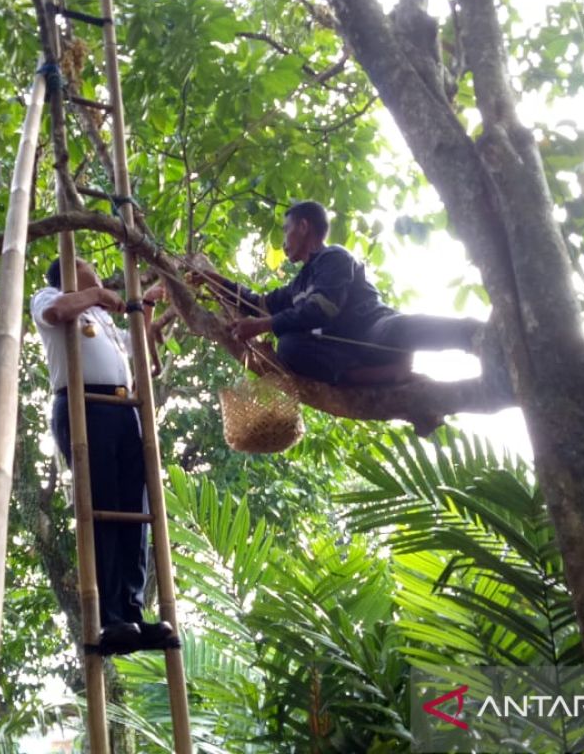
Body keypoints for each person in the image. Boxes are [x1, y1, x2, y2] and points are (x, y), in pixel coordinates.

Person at [192, 200, 503, 388]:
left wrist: (262, 326)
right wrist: (212, 278)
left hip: (374, 333)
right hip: (346, 357)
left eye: (286, 230)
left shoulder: (334, 257)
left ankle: (478, 338)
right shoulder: (299, 283)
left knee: (398, 326)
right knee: (288, 347)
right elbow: (255, 303)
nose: (283, 240)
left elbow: (321, 309)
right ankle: (382, 375)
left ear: (303, 226)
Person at [31, 256, 174, 654]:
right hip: (82, 406)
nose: (92, 266)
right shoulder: (51, 296)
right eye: (84, 262)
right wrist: (95, 294)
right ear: (68, 274)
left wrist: (145, 306)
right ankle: (110, 617)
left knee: (135, 505)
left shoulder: (102, 316)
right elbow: (57, 312)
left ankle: (131, 609)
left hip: (123, 409)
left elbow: (139, 352)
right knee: (103, 504)